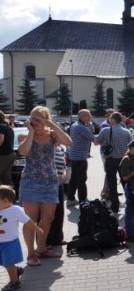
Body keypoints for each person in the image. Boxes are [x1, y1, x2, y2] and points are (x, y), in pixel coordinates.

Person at [17, 107, 72, 263]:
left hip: (50, 182)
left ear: (46, 120)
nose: (34, 122)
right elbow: (24, 151)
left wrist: (53, 126)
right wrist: (31, 132)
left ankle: (41, 248)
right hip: (30, 181)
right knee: (30, 219)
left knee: (48, 218)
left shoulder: (53, 136)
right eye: (32, 118)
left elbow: (69, 142)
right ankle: (31, 253)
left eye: (38, 119)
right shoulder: (24, 135)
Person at [0, 185, 41, 291]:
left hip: (10, 243)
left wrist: (36, 228)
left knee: (8, 263)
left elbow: (27, 221)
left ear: (5, 201)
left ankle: (15, 282)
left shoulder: (15, 210)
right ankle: (16, 270)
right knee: (4, 262)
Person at [94, 112, 132, 215]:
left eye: (110, 118)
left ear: (114, 119)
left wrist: (105, 143)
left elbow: (96, 142)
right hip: (123, 160)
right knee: (125, 182)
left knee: (112, 183)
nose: (109, 120)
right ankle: (131, 203)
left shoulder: (106, 130)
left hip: (111, 160)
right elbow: (131, 146)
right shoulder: (127, 131)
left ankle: (115, 207)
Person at [67, 109, 96, 205]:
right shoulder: (81, 127)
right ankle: (83, 200)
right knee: (82, 179)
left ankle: (70, 198)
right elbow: (94, 139)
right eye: (88, 115)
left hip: (75, 156)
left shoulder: (75, 125)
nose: (90, 117)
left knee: (74, 178)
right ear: (82, 116)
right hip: (80, 157)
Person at [47, 144, 67, 248]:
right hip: (48, 184)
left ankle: (58, 239)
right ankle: (47, 241)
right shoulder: (46, 147)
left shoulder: (61, 148)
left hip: (59, 184)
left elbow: (64, 165)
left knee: (59, 212)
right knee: (48, 214)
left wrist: (63, 175)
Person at [0, 111, 16, 187]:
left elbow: (0, 140)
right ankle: (9, 196)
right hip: (10, 154)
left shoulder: (1, 127)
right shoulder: (8, 127)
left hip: (3, 155)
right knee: (6, 177)